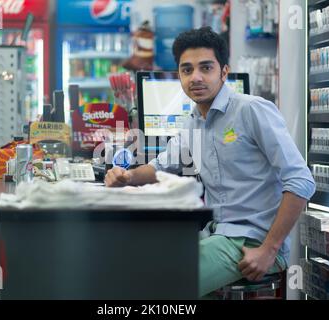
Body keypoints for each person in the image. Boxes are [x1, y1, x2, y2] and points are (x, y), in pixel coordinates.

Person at [104, 27, 315, 297]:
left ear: (224, 72)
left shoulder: (251, 110)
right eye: (187, 70)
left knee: (152, 285)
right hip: (217, 235)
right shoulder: (194, 122)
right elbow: (159, 166)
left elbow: (301, 181)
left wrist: (269, 249)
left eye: (206, 67)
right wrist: (125, 176)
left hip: (252, 242)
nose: (196, 77)